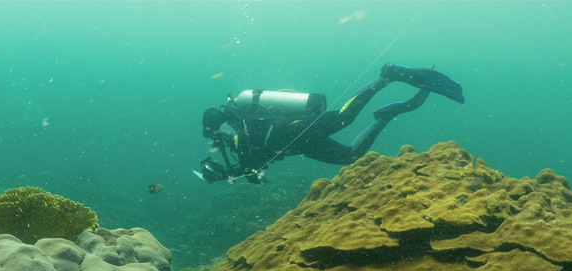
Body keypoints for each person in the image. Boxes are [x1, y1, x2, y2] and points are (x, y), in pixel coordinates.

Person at [195, 64, 464, 184]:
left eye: (210, 133)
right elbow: (253, 156)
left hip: (294, 130)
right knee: (351, 156)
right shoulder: (232, 125)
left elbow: (243, 143)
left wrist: (231, 160)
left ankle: (386, 78)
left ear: (212, 125)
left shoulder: (226, 127)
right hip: (297, 144)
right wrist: (244, 171)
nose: (213, 140)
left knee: (346, 116)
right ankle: (384, 116)